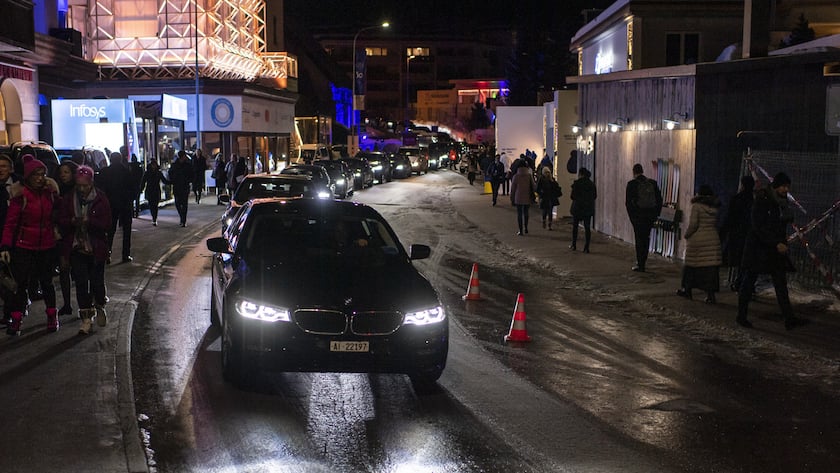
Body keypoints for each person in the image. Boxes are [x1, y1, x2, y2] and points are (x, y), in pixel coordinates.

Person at [736, 172, 809, 330]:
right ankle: (741, 316)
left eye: (787, 187)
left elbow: (779, 224)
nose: (786, 189)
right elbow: (758, 226)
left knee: (780, 283)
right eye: (783, 186)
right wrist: (776, 243)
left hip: (773, 249)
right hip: (758, 248)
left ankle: (789, 318)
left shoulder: (781, 203)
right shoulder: (762, 200)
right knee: (749, 281)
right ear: (776, 185)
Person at [0, 155, 60, 335]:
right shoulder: (21, 195)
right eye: (36, 174)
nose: (40, 177)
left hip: (47, 244)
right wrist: (5, 246)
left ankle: (51, 315)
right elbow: (10, 223)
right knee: (21, 283)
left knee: (47, 283)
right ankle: (16, 319)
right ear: (28, 176)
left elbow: (57, 215)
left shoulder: (49, 193)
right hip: (24, 245)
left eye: (42, 174)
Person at [56, 165, 111, 334]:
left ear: (91, 182)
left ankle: (100, 303)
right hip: (76, 247)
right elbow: (61, 219)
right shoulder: (69, 198)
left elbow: (107, 223)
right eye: (79, 185)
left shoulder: (101, 199)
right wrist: (72, 221)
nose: (82, 189)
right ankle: (86, 318)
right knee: (81, 283)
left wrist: (90, 222)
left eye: (85, 185)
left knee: (96, 282)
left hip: (96, 248)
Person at [676, 185, 722, 303]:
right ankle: (710, 295)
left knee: (691, 266)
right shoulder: (714, 207)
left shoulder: (696, 206)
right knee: (710, 268)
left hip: (698, 240)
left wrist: (686, 235)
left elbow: (694, 224)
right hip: (712, 239)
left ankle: (687, 290)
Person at [720, 175, 755, 292]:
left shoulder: (737, 199)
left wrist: (723, 233)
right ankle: (741, 282)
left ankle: (739, 282)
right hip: (749, 234)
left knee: (740, 259)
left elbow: (730, 217)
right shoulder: (754, 200)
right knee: (746, 261)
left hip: (737, 233)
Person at [625, 163, 663, 272]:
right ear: (642, 171)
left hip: (638, 217)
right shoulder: (652, 183)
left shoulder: (631, 184)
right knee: (646, 238)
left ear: (634, 172)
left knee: (639, 239)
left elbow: (628, 203)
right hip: (649, 216)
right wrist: (655, 215)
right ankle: (644, 261)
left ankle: (640, 264)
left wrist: (633, 218)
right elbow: (659, 201)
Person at [99, 151, 135, 263]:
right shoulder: (126, 171)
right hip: (125, 204)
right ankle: (125, 254)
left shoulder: (105, 172)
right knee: (126, 231)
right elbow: (133, 188)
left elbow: (100, 188)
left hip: (110, 204)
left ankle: (107, 253)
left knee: (109, 230)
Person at [55, 160, 79, 316]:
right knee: (64, 270)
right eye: (61, 172)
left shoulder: (80, 190)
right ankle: (67, 304)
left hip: (78, 235)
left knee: (79, 272)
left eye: (66, 172)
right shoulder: (56, 190)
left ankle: (83, 304)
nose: (63, 175)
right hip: (63, 235)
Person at [0, 153, 19, 327]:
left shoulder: (18, 186)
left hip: (16, 238)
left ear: (11, 168)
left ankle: (12, 312)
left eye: (4, 166)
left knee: (12, 276)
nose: (1, 169)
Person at [570, 167, 597, 253]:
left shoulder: (577, 183)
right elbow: (595, 196)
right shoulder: (592, 184)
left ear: (580, 174)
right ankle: (586, 247)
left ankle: (574, 245)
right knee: (587, 227)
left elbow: (572, 196)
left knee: (575, 227)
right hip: (588, 208)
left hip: (578, 208)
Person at [169, 150, 193, 227]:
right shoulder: (174, 165)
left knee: (184, 204)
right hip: (177, 186)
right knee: (177, 203)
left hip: (185, 186)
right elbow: (170, 173)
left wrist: (189, 180)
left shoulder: (187, 165)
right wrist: (173, 180)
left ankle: (183, 220)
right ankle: (182, 217)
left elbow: (191, 174)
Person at [510, 162, 535, 236]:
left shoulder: (516, 176)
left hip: (518, 197)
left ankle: (520, 230)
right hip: (527, 196)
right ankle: (526, 227)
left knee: (519, 214)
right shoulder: (529, 176)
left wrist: (512, 198)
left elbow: (513, 189)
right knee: (526, 213)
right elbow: (533, 186)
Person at [140, 159, 167, 226]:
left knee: (155, 205)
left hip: (156, 190)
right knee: (152, 205)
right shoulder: (147, 173)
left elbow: (164, 180)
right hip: (150, 190)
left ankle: (154, 218)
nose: (154, 166)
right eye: (153, 165)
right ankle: (154, 218)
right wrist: (141, 189)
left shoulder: (158, 173)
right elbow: (143, 182)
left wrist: (171, 182)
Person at [535, 166, 561, 230]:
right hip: (546, 197)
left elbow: (556, 187)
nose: (547, 174)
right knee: (545, 211)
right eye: (546, 172)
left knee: (549, 212)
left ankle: (549, 224)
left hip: (549, 197)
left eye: (548, 172)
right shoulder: (542, 179)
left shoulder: (552, 179)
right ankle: (545, 222)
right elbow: (538, 189)